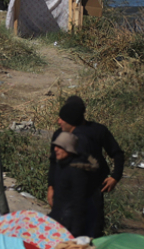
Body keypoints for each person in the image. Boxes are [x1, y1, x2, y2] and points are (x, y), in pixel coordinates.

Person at [47, 96, 124, 238]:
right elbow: (53, 162)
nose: (59, 121)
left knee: (91, 230)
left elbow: (117, 153)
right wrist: (51, 186)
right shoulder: (60, 134)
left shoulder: (96, 131)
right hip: (65, 189)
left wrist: (115, 176)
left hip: (94, 188)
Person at [48, 132, 99, 238]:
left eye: (60, 147)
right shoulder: (61, 166)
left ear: (69, 148)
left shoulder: (77, 171)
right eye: (55, 146)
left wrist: (75, 233)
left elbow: (79, 203)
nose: (56, 149)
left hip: (71, 225)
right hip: (59, 219)